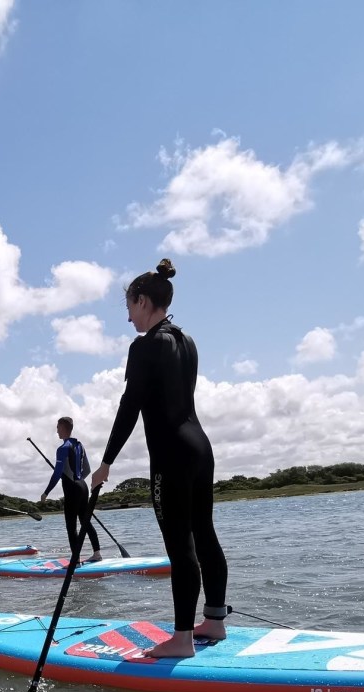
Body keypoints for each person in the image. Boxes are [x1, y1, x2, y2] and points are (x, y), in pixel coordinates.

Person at [91, 259, 228, 658]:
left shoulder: (145, 346)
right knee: (204, 533)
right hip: (200, 447)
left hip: (171, 454)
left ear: (143, 300)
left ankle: (182, 639)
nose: (129, 317)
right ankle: (214, 622)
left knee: (179, 545)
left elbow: (129, 406)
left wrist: (106, 462)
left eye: (130, 307)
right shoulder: (187, 342)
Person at [40, 416, 102, 562]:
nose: (56, 431)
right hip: (83, 486)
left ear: (62, 427)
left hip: (72, 489)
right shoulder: (80, 445)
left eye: (57, 427)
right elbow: (87, 470)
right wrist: (77, 480)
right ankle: (97, 553)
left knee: (71, 526)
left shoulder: (63, 448)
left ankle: (76, 560)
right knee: (85, 521)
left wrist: (46, 492)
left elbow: (56, 474)